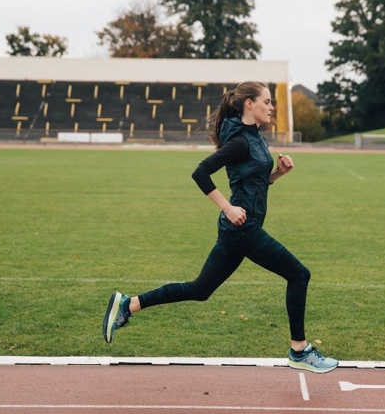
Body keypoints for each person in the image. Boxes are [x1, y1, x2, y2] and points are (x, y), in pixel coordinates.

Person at [102, 81, 338, 374]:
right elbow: (200, 172)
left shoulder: (254, 137)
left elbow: (254, 182)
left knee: (200, 289)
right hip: (243, 229)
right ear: (249, 104)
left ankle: (127, 305)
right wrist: (227, 207)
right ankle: (299, 350)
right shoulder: (239, 141)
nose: (271, 106)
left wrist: (279, 173)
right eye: (266, 101)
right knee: (299, 274)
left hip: (236, 230)